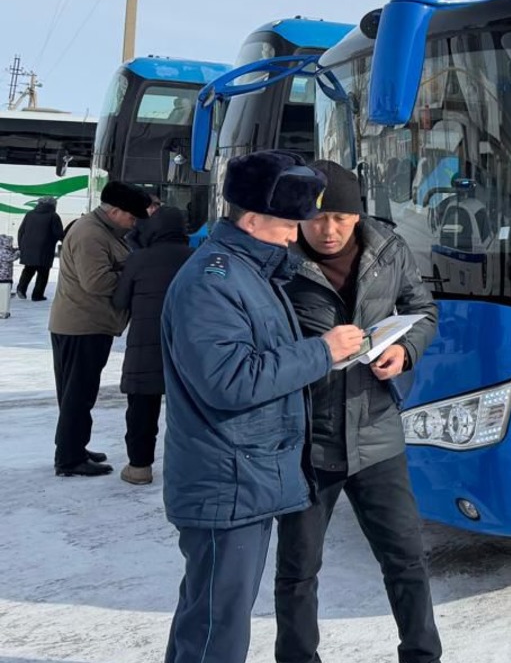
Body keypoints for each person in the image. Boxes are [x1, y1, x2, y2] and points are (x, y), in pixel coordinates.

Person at [161, 150, 364, 663]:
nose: (297, 235)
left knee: (209, 617)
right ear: (252, 220)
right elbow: (230, 380)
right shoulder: (214, 280)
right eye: (288, 224)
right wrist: (323, 352)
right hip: (226, 480)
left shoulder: (251, 272)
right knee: (217, 629)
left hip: (242, 474)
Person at [275, 159, 442, 663]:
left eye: (342, 220)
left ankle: (422, 655)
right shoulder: (277, 259)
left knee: (406, 559)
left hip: (376, 435)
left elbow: (423, 310)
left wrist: (406, 349)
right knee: (299, 570)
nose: (329, 231)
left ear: (358, 215)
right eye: (318, 219)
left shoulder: (388, 250)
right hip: (307, 439)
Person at [48, 180, 152, 477]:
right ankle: (69, 458)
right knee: (78, 394)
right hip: (83, 325)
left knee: (76, 392)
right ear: (115, 211)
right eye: (131, 217)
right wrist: (135, 282)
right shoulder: (91, 234)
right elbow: (97, 282)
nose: (133, 224)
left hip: (84, 323)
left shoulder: (102, 230)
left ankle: (73, 446)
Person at [111, 205, 192, 486]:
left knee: (141, 409)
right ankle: (185, 468)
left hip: (144, 347)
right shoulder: (196, 258)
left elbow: (119, 301)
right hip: (187, 349)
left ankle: (139, 467)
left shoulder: (139, 259)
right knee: (186, 412)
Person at [17, 196, 64, 301]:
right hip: (45, 248)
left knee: (28, 269)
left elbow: (21, 231)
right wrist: (66, 241)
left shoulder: (29, 214)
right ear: (52, 205)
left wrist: (22, 246)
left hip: (28, 247)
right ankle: (37, 295)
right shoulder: (53, 216)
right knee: (43, 272)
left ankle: (21, 288)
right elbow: (58, 233)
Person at [0, 234, 16, 318]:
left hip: (5, 276)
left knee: (3, 294)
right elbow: (9, 258)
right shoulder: (3, 251)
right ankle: (3, 311)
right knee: (3, 295)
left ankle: (3, 310)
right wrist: (17, 253)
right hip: (4, 277)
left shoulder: (5, 250)